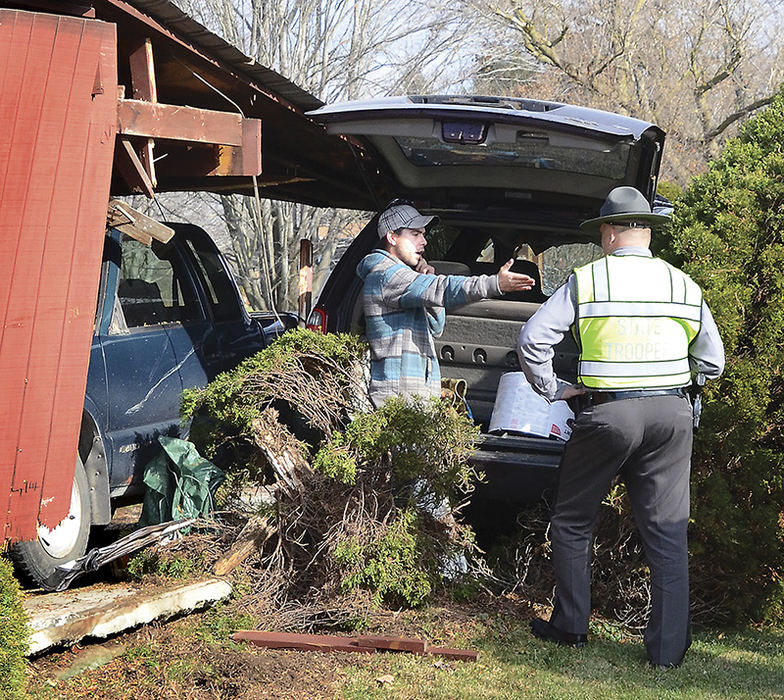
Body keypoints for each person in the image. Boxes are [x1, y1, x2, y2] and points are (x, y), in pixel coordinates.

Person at [517, 186, 725, 668]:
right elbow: (712, 361)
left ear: (609, 233)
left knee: (572, 520)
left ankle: (570, 626)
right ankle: (668, 651)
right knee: (667, 532)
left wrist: (555, 388)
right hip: (672, 416)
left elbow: (533, 338)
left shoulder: (588, 281)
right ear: (647, 233)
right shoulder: (683, 285)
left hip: (607, 413)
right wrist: (677, 387)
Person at [357, 199, 536, 408]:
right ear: (392, 237)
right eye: (415, 234)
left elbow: (436, 326)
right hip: (398, 398)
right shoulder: (385, 274)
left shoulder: (404, 277)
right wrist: (494, 284)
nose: (423, 241)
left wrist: (426, 281)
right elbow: (444, 288)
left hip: (414, 394)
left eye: (423, 234)